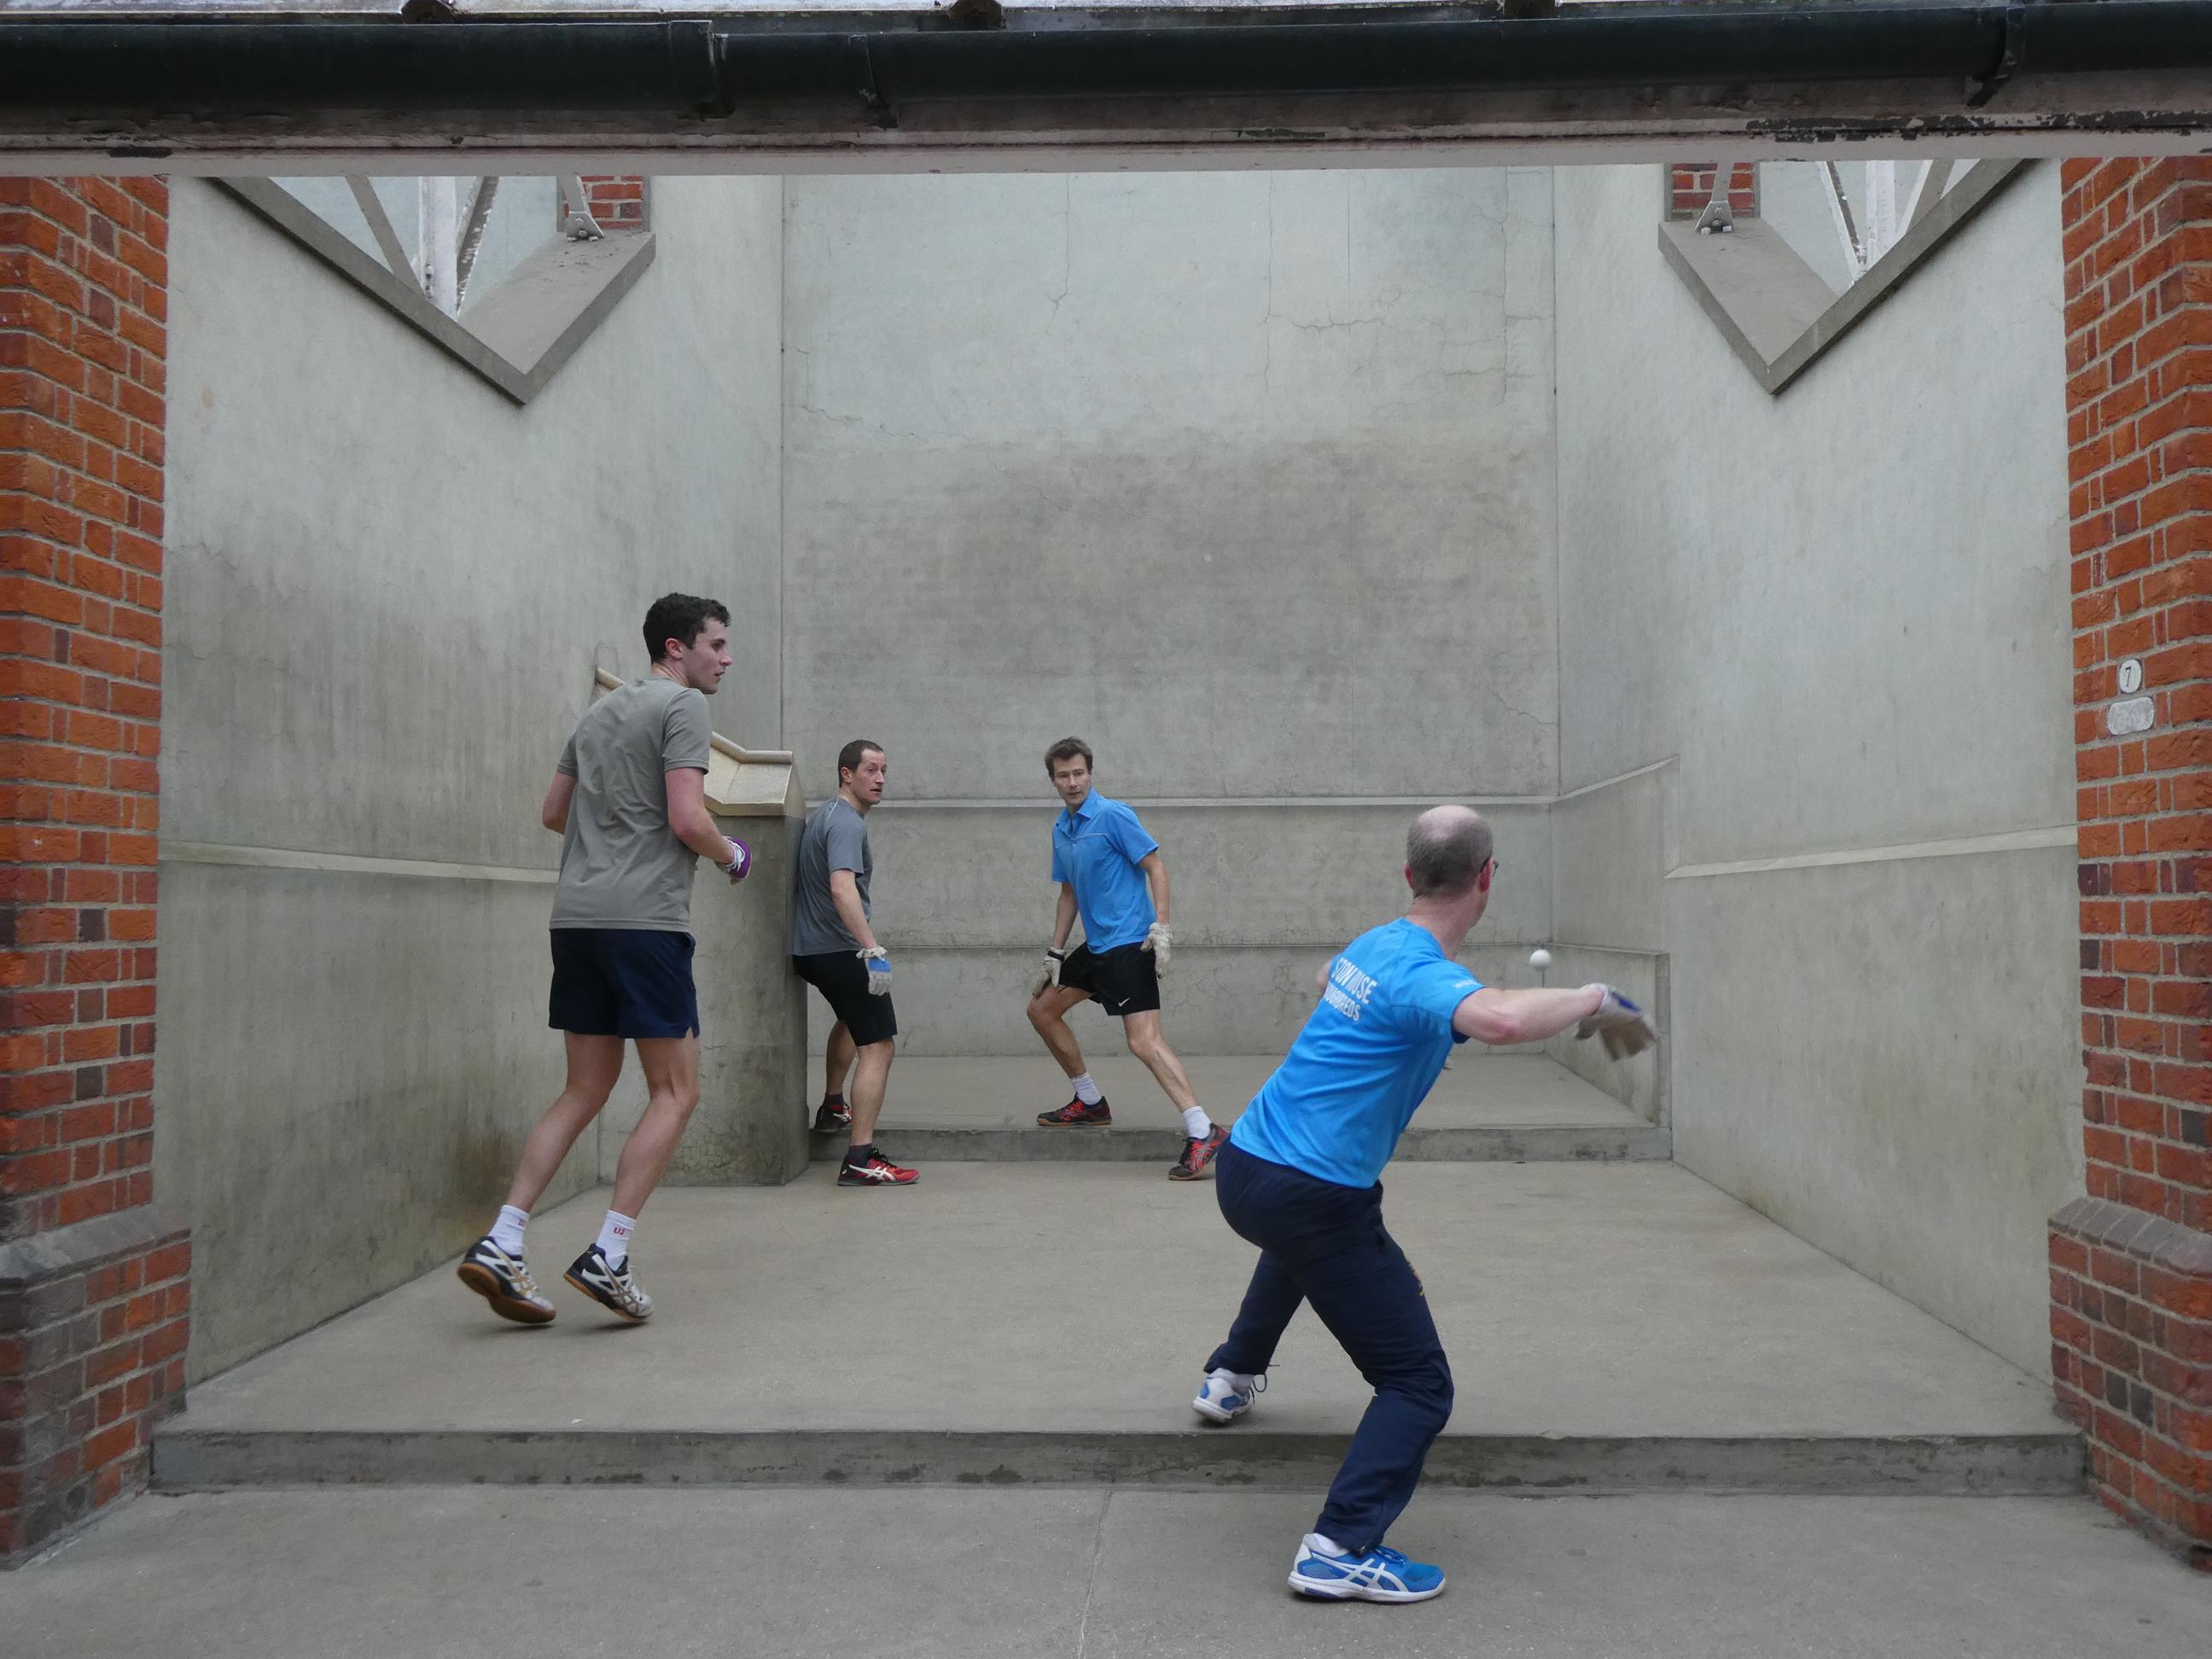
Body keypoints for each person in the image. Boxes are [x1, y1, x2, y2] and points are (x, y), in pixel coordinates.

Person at [1188, 806, 1654, 1603]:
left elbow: (1331, 980)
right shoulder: (1425, 974)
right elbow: (1502, 1016)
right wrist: (1591, 997)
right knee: (1419, 1384)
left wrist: (1410, 1038)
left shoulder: (1378, 944)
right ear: (1487, 878)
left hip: (1246, 1166)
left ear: (1409, 877)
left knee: (1303, 1255)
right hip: (1312, 1194)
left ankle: (1230, 1375)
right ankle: (1339, 1546)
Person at [457, 593, 754, 1327]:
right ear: (676, 648)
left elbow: (554, 813)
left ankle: (504, 1239)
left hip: (578, 921)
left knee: (582, 1091)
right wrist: (731, 854)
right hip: (645, 924)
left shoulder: (597, 713)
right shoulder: (682, 709)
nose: (725, 657)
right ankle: (610, 1254)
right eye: (715, 644)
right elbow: (689, 819)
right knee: (677, 1092)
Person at [1025, 736, 1223, 1180]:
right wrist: (1055, 951)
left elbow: (1156, 866)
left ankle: (1202, 1129)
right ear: (1053, 780)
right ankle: (1090, 1102)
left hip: (1131, 943)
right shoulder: (1063, 829)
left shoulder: (1114, 815)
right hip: (1096, 947)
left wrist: (1162, 926)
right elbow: (1069, 891)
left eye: (1079, 772)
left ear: (1089, 773)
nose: (1072, 781)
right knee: (1041, 1009)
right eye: (1063, 775)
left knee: (1143, 1041)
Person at [791, 740, 917, 1189]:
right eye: (870, 770)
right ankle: (861, 1157)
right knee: (879, 1045)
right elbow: (842, 888)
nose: (880, 778)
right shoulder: (845, 823)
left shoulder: (825, 815)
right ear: (847, 775)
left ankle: (832, 1106)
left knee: (851, 1018)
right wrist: (871, 949)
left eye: (884, 770)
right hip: (840, 950)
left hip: (812, 949)